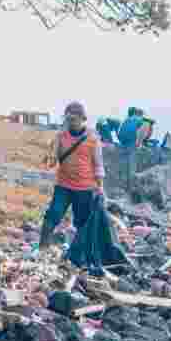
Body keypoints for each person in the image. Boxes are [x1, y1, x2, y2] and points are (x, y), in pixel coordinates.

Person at [38, 102, 105, 251]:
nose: (71, 122)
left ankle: (79, 253)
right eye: (68, 119)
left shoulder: (93, 139)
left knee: (81, 221)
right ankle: (42, 247)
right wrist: (50, 155)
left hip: (85, 188)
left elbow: (98, 165)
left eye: (74, 119)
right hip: (63, 186)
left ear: (83, 118)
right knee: (53, 214)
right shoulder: (60, 137)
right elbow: (52, 161)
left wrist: (100, 187)